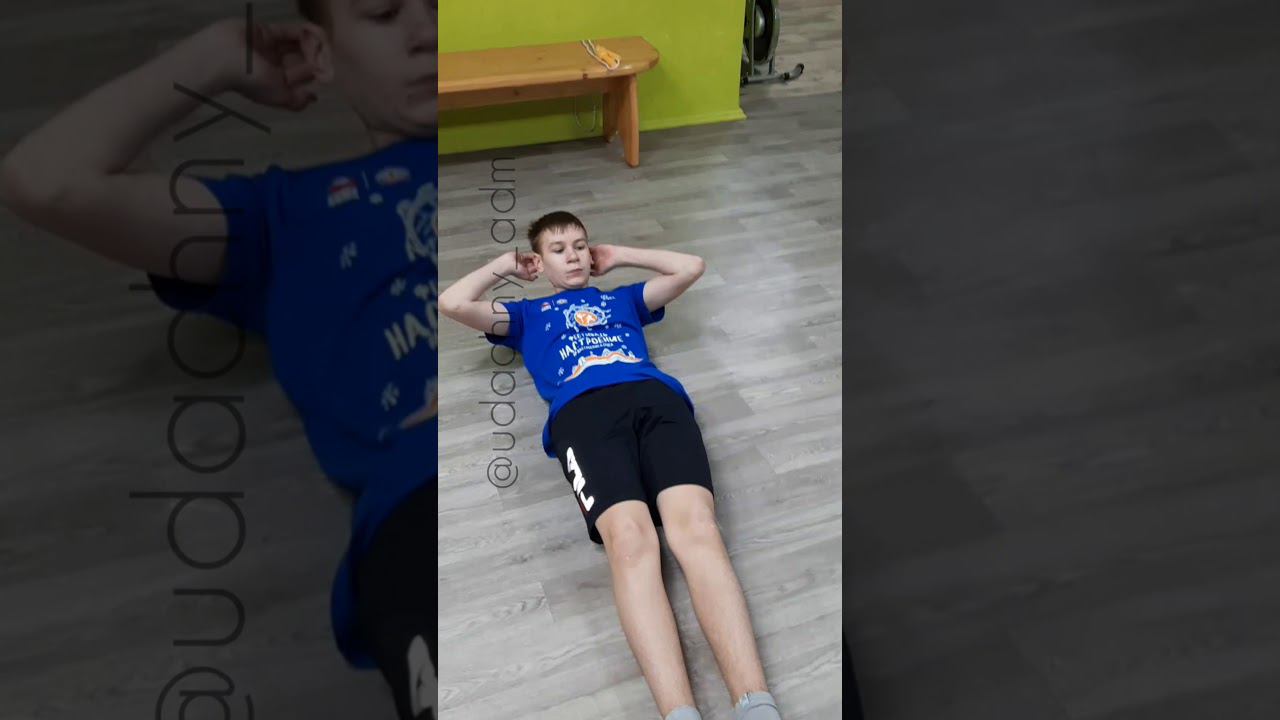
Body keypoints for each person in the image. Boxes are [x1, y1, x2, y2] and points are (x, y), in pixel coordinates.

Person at [0, 3, 438, 718]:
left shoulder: (538, 151)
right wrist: (210, 58)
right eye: (385, 13)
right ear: (323, 54)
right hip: (426, 495)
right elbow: (45, 181)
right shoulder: (283, 216)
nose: (429, 32)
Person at [439, 211, 785, 720]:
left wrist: (619, 256)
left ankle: (756, 704)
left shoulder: (621, 300)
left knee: (698, 531)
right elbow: (452, 303)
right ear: (539, 261)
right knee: (630, 542)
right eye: (558, 249)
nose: (573, 256)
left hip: (656, 402)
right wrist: (504, 265)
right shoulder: (526, 316)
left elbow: (690, 266)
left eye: (580, 245)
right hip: (583, 416)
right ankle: (680, 713)